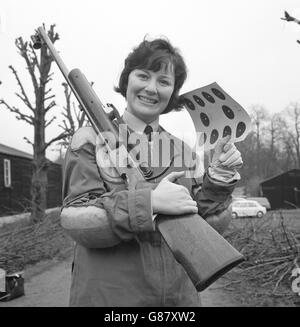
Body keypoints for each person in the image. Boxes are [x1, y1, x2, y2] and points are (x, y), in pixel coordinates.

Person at [60, 37, 243, 307]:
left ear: (173, 92)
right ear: (127, 80)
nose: (151, 88)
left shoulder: (183, 150)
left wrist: (218, 181)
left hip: (178, 300)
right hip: (108, 300)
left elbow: (200, 221)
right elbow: (77, 221)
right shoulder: (87, 139)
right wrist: (150, 203)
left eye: (164, 81)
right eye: (143, 75)